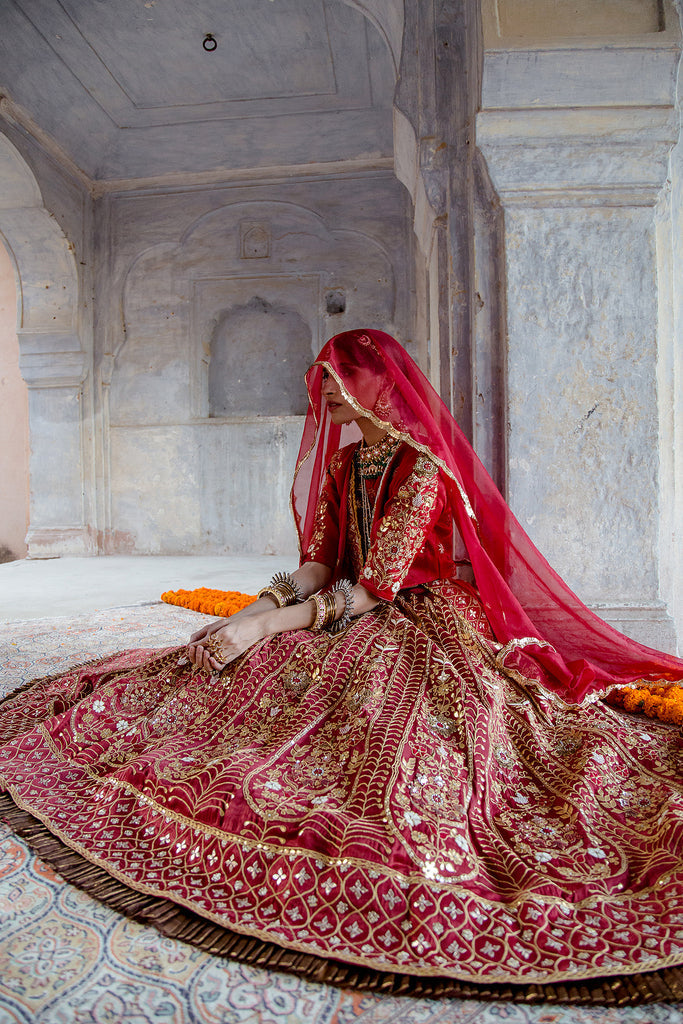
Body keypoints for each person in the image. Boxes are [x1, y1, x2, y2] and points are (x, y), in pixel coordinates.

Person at [1, 328, 683, 994]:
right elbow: (319, 568)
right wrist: (251, 615)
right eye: (321, 380)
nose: (323, 392)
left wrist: (269, 624)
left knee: (372, 706)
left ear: (381, 382)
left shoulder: (422, 466)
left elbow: (376, 586)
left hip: (413, 612)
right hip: (342, 599)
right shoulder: (343, 463)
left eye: (338, 379)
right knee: (221, 670)